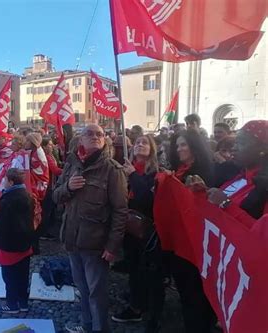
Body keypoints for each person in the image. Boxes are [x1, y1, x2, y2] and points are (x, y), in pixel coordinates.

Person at [53, 124, 128, 333]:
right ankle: (86, 326)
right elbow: (55, 196)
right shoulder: (72, 163)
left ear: (104, 140)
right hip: (72, 239)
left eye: (99, 134)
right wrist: (68, 187)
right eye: (89, 133)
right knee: (82, 290)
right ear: (80, 139)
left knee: (97, 293)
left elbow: (121, 211)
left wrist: (112, 246)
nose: (95, 137)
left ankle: (99, 329)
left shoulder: (113, 170)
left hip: (96, 244)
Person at [112, 135, 164, 333]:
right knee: (133, 268)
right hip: (129, 228)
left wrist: (133, 175)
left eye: (145, 143)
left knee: (148, 273)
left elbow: (146, 197)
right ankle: (137, 302)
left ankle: (147, 312)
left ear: (152, 150)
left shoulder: (155, 173)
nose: (140, 144)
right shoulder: (126, 168)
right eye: (138, 142)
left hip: (147, 231)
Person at [167, 128, 215, 333]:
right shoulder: (179, 170)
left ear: (195, 147)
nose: (179, 149)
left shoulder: (205, 172)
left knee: (194, 292)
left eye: (183, 145)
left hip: (195, 242)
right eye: (177, 145)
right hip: (179, 238)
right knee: (185, 291)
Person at [0, 168, 34, 314]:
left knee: (9, 276)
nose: (4, 182)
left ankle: (12, 304)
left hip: (9, 245)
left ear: (11, 182)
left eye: (5, 180)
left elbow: (2, 226)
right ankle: (23, 302)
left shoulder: (7, 200)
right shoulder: (28, 196)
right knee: (23, 275)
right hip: (25, 243)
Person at [206, 120, 267, 221]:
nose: (234, 148)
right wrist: (203, 193)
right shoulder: (238, 175)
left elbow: (262, 233)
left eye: (242, 143)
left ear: (263, 149)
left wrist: (226, 204)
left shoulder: (264, 187)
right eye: (235, 143)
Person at [39, 136, 62, 241]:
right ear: (44, 146)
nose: (52, 146)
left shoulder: (49, 155)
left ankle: (48, 229)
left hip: (50, 184)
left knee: (50, 209)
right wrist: (68, 169)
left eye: (52, 144)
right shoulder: (46, 157)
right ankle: (43, 231)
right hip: (47, 186)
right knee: (46, 210)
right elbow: (56, 170)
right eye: (49, 145)